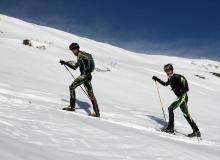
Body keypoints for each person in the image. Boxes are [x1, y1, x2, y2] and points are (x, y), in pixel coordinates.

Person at [152, 64, 201, 137]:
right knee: (186, 115)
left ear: (171, 70)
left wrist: (182, 90)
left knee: (170, 108)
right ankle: (196, 131)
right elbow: (165, 84)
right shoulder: (170, 78)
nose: (167, 72)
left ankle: (170, 128)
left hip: (183, 97)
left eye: (168, 70)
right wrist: (157, 79)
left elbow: (186, 88)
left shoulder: (178, 77)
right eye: (166, 71)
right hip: (180, 97)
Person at [60, 43, 100, 117]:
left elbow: (90, 58)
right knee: (90, 93)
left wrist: (89, 70)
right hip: (87, 76)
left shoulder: (81, 54)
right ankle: (97, 113)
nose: (73, 51)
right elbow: (75, 67)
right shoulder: (79, 57)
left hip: (84, 75)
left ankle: (72, 107)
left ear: (77, 48)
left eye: (74, 49)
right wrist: (65, 63)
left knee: (71, 87)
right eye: (72, 50)